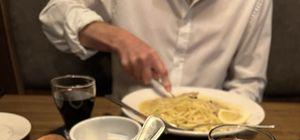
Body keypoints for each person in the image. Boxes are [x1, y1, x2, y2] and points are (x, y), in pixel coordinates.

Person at [40, 0, 272, 101]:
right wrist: (117, 38)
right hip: (130, 125)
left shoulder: (253, 2)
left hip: (209, 137)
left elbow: (248, 82)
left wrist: (226, 123)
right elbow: (54, 14)